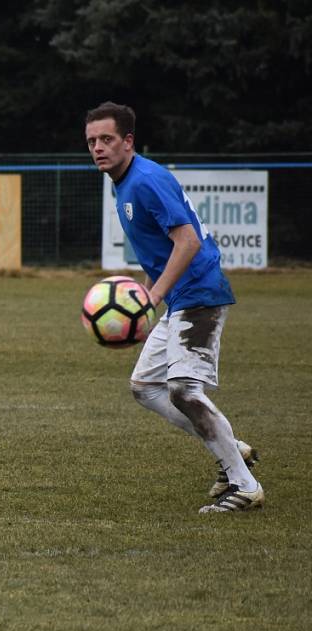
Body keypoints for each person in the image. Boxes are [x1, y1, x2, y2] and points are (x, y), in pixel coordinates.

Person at [84, 101, 264, 513]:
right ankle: (230, 449)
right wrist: (145, 308)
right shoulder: (123, 182)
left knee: (183, 390)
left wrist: (152, 297)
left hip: (200, 295)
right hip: (179, 298)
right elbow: (161, 253)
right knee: (146, 387)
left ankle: (244, 484)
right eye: (92, 141)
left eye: (107, 139)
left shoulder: (145, 180)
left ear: (128, 141)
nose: (98, 148)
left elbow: (188, 242)